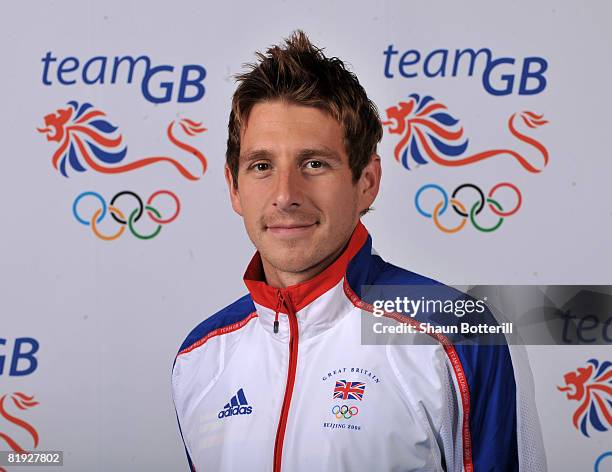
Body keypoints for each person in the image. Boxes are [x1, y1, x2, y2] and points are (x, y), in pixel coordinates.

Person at [172, 31, 545, 471]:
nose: (285, 195)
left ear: (366, 181)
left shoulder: (454, 332)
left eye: (314, 163)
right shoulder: (200, 356)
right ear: (234, 188)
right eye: (261, 166)